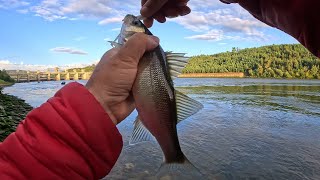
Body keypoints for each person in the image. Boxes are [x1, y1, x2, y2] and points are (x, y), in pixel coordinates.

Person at [0, 0, 319, 179]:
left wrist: (100, 103)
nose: (132, 24)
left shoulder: (144, 51)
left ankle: (173, 156)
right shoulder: (142, 51)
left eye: (136, 27)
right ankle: (175, 156)